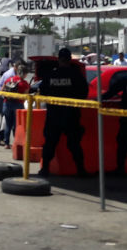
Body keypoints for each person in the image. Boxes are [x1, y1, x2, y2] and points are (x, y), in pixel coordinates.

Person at [38, 48, 89, 177]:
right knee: (74, 144)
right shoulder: (76, 75)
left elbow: (42, 91)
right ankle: (81, 171)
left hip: (54, 115)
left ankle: (45, 169)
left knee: (50, 143)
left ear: (58, 59)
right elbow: (84, 92)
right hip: (71, 115)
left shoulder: (51, 75)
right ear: (70, 59)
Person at [101, 60, 127, 176]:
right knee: (122, 141)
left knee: (123, 142)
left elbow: (111, 92)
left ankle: (120, 168)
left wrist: (97, 100)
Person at [0, 64, 30, 149]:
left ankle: (6, 143)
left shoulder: (9, 80)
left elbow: (2, 91)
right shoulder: (24, 83)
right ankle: (17, 143)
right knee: (17, 125)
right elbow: (25, 95)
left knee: (8, 124)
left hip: (7, 103)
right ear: (24, 74)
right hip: (18, 104)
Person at [0, 59, 22, 145]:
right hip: (1, 97)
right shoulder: (10, 75)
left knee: (6, 118)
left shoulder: (14, 73)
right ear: (16, 67)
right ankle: (0, 138)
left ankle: (4, 138)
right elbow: (7, 88)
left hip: (6, 97)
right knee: (6, 117)